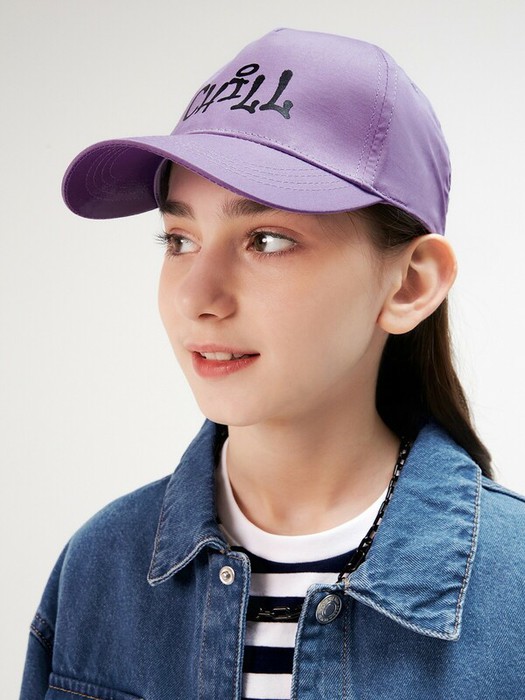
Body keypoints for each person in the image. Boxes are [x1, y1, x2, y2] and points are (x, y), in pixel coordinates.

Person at [20, 28, 525, 700]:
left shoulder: (513, 591)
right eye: (179, 239)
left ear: (409, 284)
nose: (197, 298)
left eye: (266, 240)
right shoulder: (99, 569)